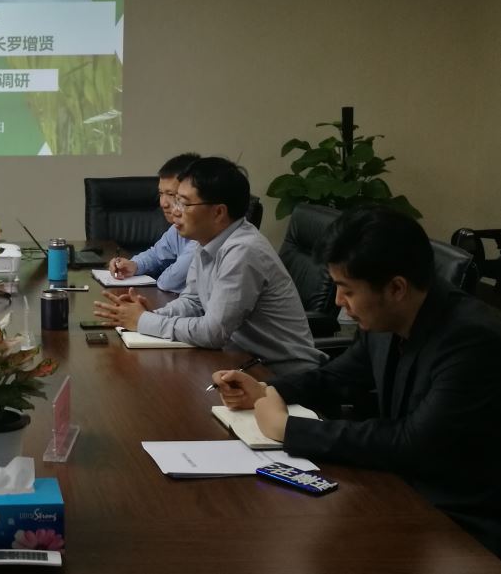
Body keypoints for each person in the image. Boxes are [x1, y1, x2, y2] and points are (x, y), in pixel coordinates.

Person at [212, 206, 501, 557]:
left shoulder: (472, 340)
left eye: (346, 290)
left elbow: (414, 443)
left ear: (396, 288)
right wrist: (267, 390)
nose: (338, 302)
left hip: (458, 521)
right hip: (395, 487)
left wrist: (288, 429)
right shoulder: (387, 315)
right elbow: (337, 376)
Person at [95, 156, 324, 375]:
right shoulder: (205, 240)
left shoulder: (243, 250)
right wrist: (148, 315)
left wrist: (145, 321)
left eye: (184, 203)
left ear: (218, 212)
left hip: (282, 376)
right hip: (241, 362)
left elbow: (213, 332)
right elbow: (193, 301)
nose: (175, 210)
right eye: (176, 200)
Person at [106, 152, 200, 293]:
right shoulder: (177, 228)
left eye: (171, 194)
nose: (163, 203)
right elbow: (156, 254)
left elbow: (169, 281)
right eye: (161, 194)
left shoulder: (203, 235)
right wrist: (134, 265)